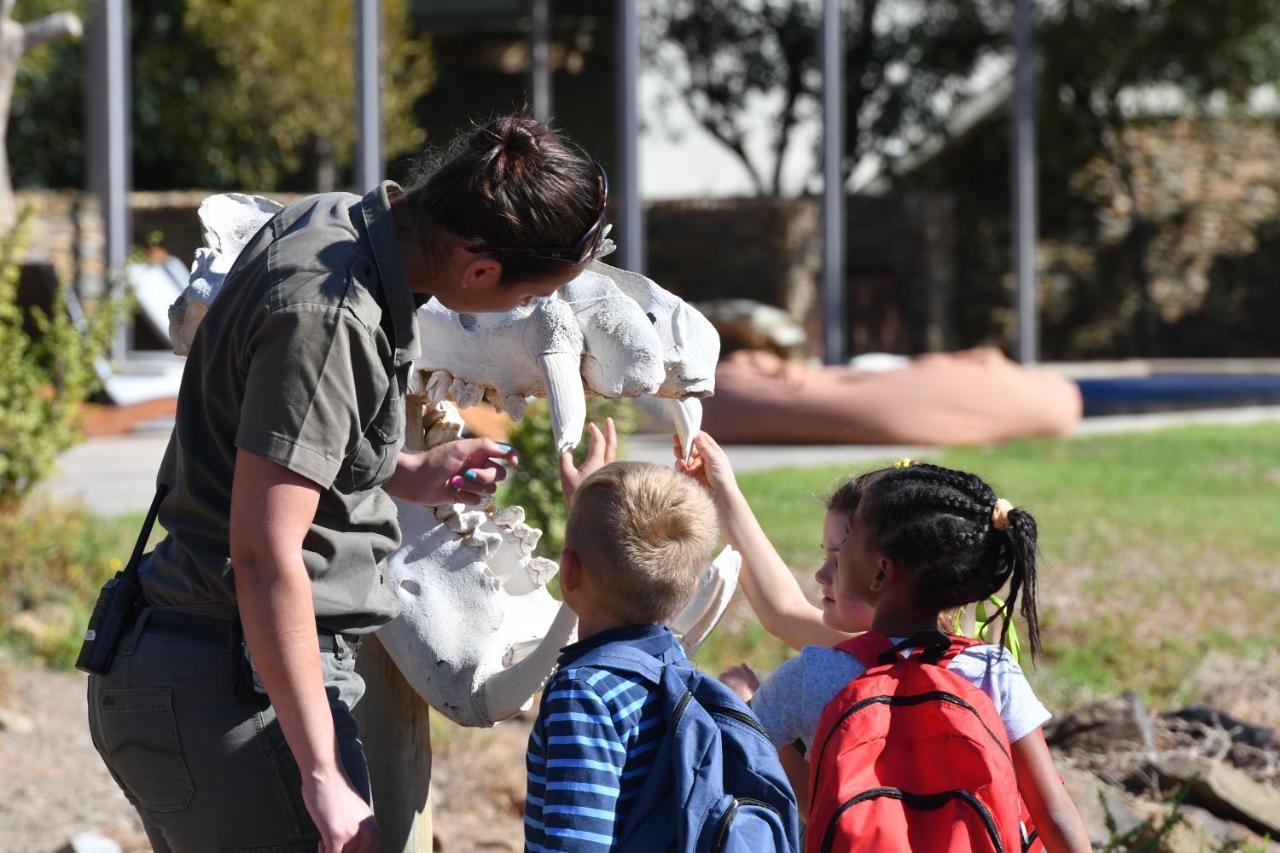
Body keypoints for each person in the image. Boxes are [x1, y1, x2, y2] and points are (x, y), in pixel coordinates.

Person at [86, 116, 609, 853]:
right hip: (230, 685)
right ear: (481, 269)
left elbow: (275, 431)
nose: (522, 314)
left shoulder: (339, 223)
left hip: (216, 667)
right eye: (531, 296)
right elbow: (266, 552)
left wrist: (404, 471)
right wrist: (325, 772)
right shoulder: (331, 315)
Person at [678, 432, 1092, 852]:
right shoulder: (992, 670)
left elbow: (746, 766)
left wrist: (739, 705)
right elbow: (1053, 812)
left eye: (844, 549)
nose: (826, 572)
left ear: (880, 573)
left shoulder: (813, 675)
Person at [524, 425, 723, 850]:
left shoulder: (582, 696)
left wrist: (587, 512)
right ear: (689, 589)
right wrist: (585, 505)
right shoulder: (671, 663)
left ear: (569, 572)